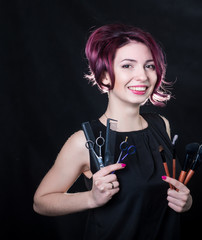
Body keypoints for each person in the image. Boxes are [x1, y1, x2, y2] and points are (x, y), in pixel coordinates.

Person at [33, 23, 192, 240]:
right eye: (128, 66)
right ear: (105, 75)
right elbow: (41, 202)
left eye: (149, 66)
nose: (143, 77)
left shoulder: (161, 125)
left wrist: (185, 201)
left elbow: (165, 196)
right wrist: (91, 199)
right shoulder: (83, 141)